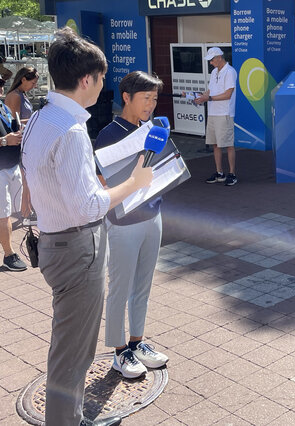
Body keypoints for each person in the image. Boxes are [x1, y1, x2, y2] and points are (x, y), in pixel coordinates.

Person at [21, 27, 153, 426]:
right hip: (77, 247)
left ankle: (70, 414)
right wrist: (133, 183)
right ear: (86, 79)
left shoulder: (41, 118)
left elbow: (40, 180)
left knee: (71, 343)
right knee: (73, 350)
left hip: (55, 243)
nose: (102, 86)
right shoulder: (72, 130)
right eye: (101, 78)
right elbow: (87, 206)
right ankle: (65, 419)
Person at [94, 71, 170, 380]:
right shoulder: (109, 134)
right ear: (126, 97)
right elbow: (102, 182)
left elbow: (159, 166)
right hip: (123, 222)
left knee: (143, 286)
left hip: (153, 215)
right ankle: (119, 350)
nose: (150, 104)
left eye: (154, 99)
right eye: (145, 98)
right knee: (120, 288)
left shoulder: (152, 128)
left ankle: (137, 343)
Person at [194, 47, 238, 186]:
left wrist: (208, 98)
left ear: (219, 57)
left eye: (212, 60)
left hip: (225, 113)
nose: (211, 63)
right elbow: (210, 90)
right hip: (213, 113)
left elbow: (228, 94)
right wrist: (201, 97)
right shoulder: (214, 72)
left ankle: (232, 174)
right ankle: (219, 173)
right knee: (215, 144)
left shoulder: (230, 72)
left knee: (229, 145)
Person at [0, 77, 27, 272]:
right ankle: (9, 254)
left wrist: (20, 129)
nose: (1, 87)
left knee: (9, 212)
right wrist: (4, 141)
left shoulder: (2, 105)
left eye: (1, 84)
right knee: (4, 215)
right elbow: (5, 139)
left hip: (11, 166)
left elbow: (10, 128)